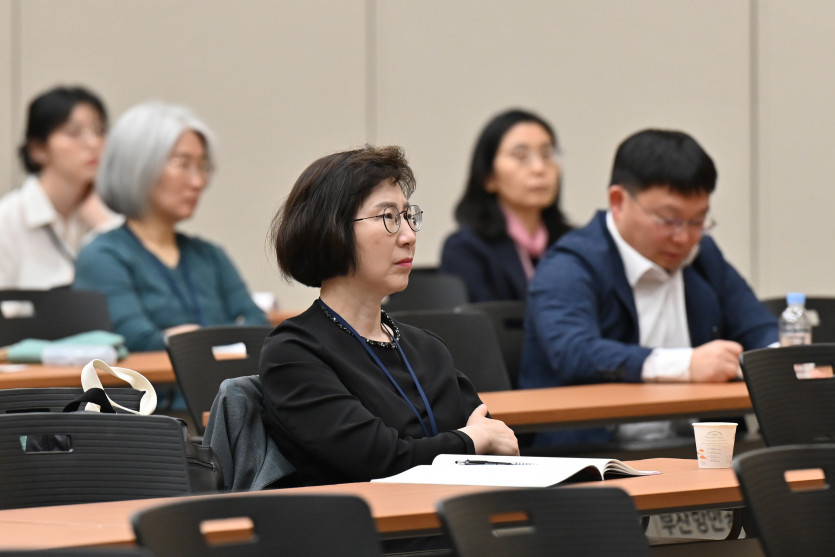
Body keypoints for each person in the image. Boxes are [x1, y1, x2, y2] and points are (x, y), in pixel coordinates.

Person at [260, 145, 518, 488]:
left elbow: (498, 442)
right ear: (330, 229)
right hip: (357, 521)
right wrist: (471, 441)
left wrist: (477, 440)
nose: (409, 236)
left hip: (453, 516)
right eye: (389, 218)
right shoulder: (294, 352)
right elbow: (380, 461)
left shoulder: (426, 348)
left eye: (408, 216)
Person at [519, 129, 778, 445]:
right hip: (596, 455)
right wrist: (686, 365)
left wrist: (784, 359)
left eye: (698, 221)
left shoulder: (702, 256)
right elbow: (574, 351)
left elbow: (758, 327)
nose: (683, 237)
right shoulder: (570, 265)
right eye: (669, 220)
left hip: (699, 449)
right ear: (618, 201)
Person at [74, 101, 268, 351]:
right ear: (138, 166)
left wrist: (188, 338)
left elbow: (257, 325)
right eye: (182, 163)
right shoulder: (103, 256)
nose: (198, 182)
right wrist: (221, 339)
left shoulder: (210, 255)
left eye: (203, 166)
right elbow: (137, 341)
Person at [440, 109, 572, 302]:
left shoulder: (573, 243)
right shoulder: (467, 249)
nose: (539, 168)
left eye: (546, 154)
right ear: (489, 177)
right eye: (521, 155)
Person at [0, 86, 119, 289]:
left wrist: (103, 225)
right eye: (74, 133)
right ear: (38, 149)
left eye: (100, 131)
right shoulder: (9, 218)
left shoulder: (111, 211)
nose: (93, 143)